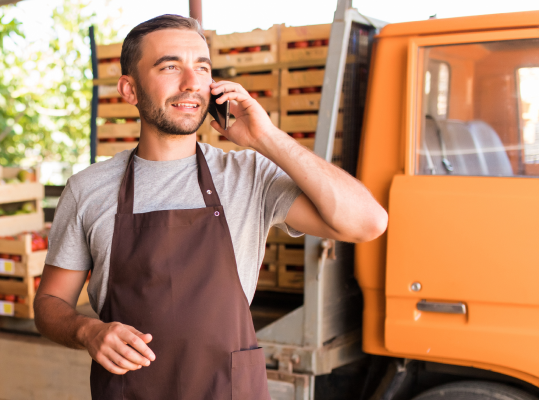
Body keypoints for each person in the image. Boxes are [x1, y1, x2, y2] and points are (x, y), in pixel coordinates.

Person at [33, 14, 388, 399]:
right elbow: (50, 303)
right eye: (170, 66)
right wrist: (88, 331)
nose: (191, 83)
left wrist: (265, 137)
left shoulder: (249, 175)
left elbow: (368, 223)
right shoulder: (89, 189)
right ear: (129, 89)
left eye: (201, 67)